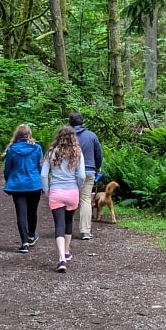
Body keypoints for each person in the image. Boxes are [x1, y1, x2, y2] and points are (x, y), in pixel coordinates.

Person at [40, 125, 85, 273]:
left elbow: (43, 175)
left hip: (56, 192)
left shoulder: (51, 153)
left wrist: (47, 190)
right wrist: (78, 187)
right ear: (73, 138)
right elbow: (82, 176)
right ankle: (66, 251)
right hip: (72, 192)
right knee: (68, 222)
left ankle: (61, 259)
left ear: (58, 137)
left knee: (59, 224)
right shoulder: (77, 153)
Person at [3, 124, 44, 253]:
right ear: (29, 134)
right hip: (34, 184)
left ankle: (24, 242)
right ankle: (32, 236)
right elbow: (41, 167)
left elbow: (7, 169)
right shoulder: (37, 148)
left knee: (21, 213)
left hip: (17, 185)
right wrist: (42, 183)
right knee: (33, 211)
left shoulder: (11, 150)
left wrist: (9, 180)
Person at [69, 112, 103, 241]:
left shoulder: (66, 137)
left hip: (70, 172)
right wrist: (97, 167)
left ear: (70, 123)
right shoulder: (91, 135)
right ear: (82, 122)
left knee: (70, 199)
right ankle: (85, 231)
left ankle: (66, 229)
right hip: (88, 171)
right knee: (85, 200)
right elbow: (99, 154)